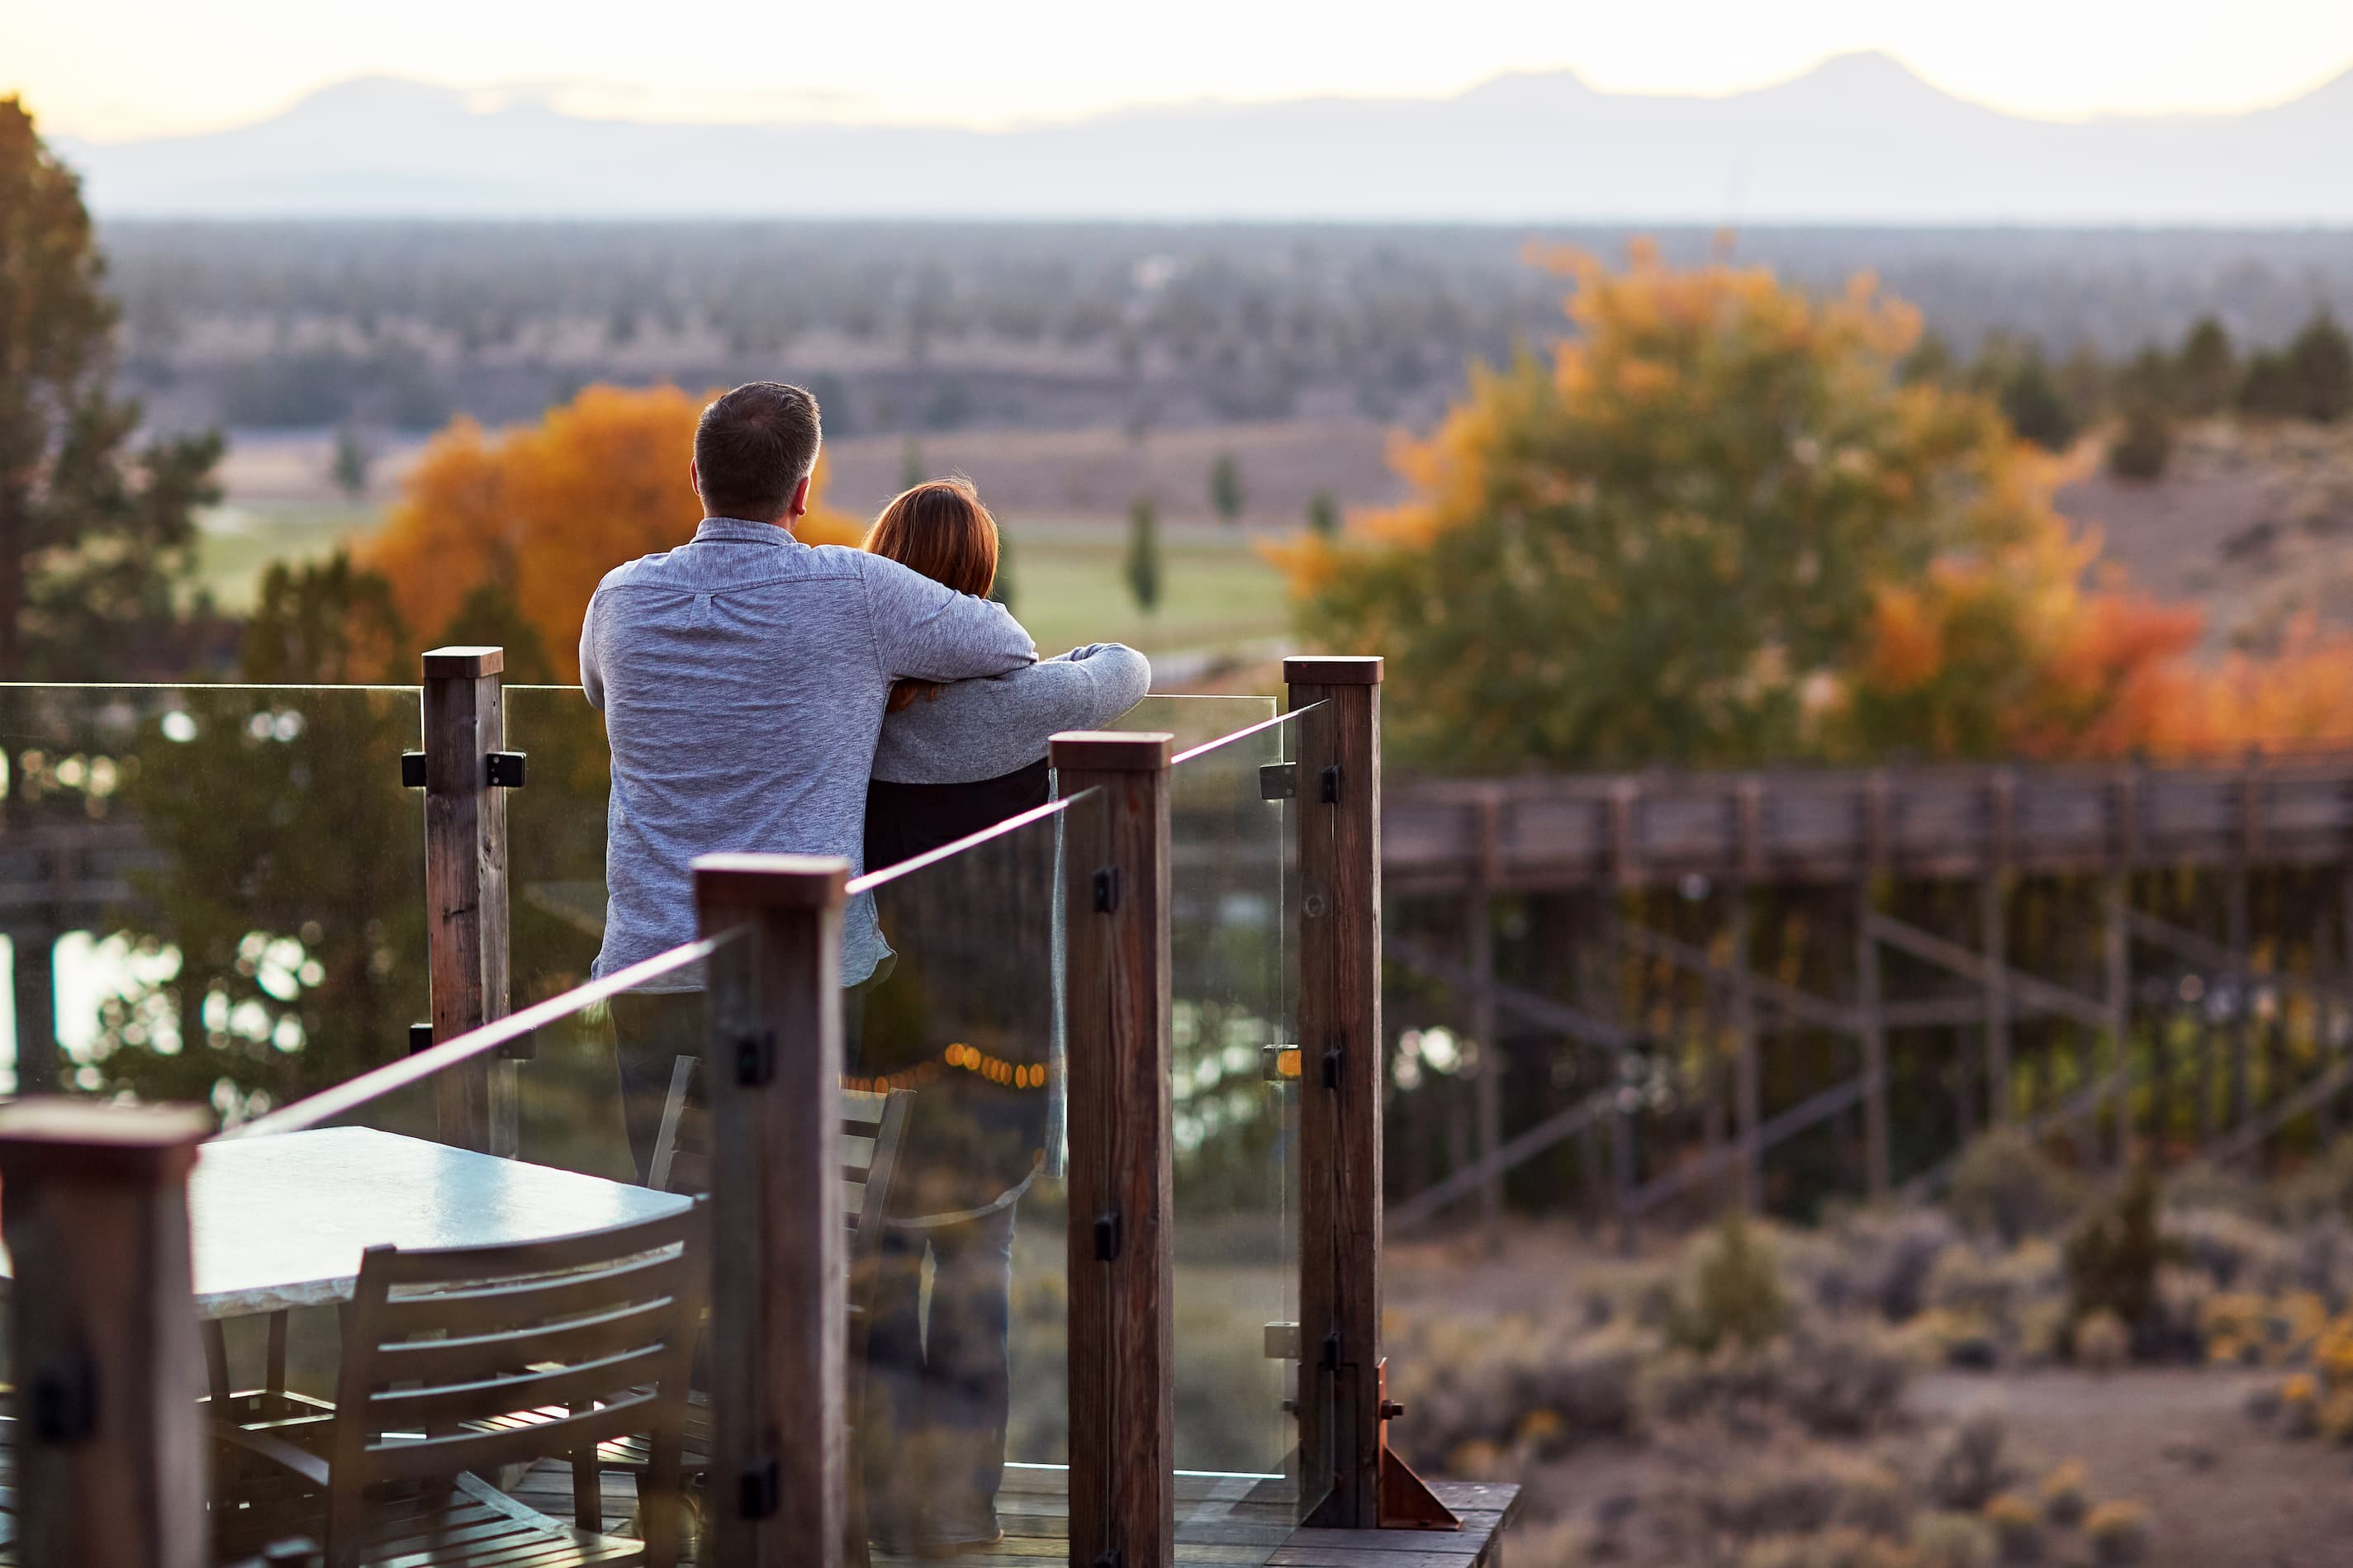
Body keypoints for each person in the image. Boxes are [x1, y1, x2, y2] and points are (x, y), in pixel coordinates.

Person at [580, 385, 1036, 1178]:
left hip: (651, 968)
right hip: (806, 972)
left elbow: (596, 690)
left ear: (696, 477)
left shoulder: (618, 598)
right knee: (804, 1221)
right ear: (802, 490)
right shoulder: (857, 592)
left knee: (670, 1218)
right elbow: (1007, 643)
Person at [852, 478, 1149, 1556]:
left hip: (887, 1037)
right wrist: (1018, 648)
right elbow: (1128, 664)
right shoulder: (1026, 700)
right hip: (1008, 1041)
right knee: (978, 1274)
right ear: (980, 583)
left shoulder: (859, 707)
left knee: (877, 1271)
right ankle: (960, 1517)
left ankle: (885, 1511)